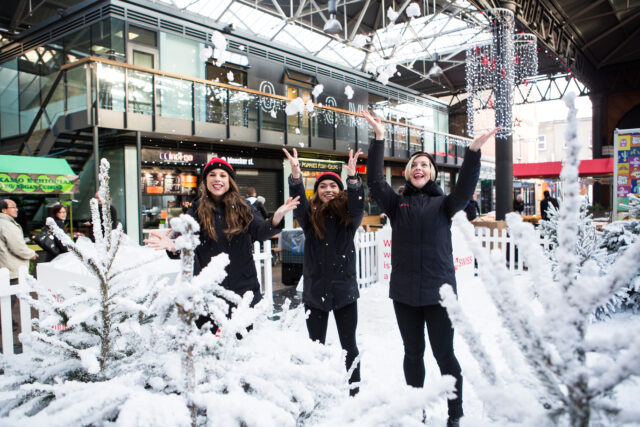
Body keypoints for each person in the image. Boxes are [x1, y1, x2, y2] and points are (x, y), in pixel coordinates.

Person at [362, 110, 499, 426]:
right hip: (405, 295)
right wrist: (379, 138)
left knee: (444, 355)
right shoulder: (397, 206)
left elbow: (465, 189)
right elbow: (375, 180)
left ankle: (455, 412)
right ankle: (416, 406)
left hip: (440, 294)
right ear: (408, 175)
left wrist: (474, 152)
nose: (419, 167)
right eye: (414, 165)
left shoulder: (445, 205)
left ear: (433, 173)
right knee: (413, 354)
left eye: (425, 164)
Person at [145, 157, 299, 326]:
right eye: (212, 174)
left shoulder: (243, 206)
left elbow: (260, 232)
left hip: (243, 289)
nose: (217, 178)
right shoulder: (196, 209)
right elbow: (186, 242)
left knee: (244, 343)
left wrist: (276, 219)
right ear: (206, 181)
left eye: (222, 175)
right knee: (210, 345)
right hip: (208, 291)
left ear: (229, 181)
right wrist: (174, 246)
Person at [284, 147, 364, 396]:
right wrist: (296, 177)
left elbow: (357, 202)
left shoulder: (350, 217)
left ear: (339, 190)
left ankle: (355, 388)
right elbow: (298, 206)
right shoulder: (309, 216)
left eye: (333, 185)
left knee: (348, 344)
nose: (328, 189)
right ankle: (316, 388)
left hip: (344, 291)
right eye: (323, 186)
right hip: (315, 290)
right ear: (316, 191)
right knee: (314, 345)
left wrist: (353, 180)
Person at [0, 199, 38, 349]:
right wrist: (31, 254)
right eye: (13, 207)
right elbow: (18, 247)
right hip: (11, 271)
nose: (16, 210)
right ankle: (8, 343)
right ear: (3, 210)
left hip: (5, 269)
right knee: (9, 308)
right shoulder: (7, 225)